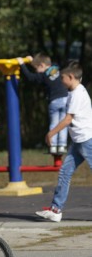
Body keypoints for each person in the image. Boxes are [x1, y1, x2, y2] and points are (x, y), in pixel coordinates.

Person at [35, 61, 92, 222]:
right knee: (65, 173)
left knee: (65, 173)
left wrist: (51, 133)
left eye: (63, 78)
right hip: (78, 141)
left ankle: (56, 208)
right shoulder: (73, 92)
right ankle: (56, 210)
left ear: (71, 77)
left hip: (87, 140)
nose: (61, 81)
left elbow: (68, 119)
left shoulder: (78, 94)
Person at [17, 54, 68, 155]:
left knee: (54, 123)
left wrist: (22, 64)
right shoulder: (56, 67)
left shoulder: (43, 76)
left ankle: (52, 146)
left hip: (54, 101)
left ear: (42, 65)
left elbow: (30, 77)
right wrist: (33, 62)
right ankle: (62, 146)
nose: (36, 71)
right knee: (63, 124)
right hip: (65, 99)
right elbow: (45, 64)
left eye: (36, 68)